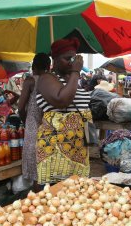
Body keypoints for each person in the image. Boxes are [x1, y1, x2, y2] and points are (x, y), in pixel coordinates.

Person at [35, 38, 92, 188]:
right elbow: (62, 100)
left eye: (74, 59)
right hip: (55, 150)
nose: (72, 62)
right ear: (55, 59)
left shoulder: (72, 80)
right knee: (55, 194)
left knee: (76, 196)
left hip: (77, 149)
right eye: (68, 59)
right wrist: (75, 72)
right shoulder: (46, 78)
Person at [18, 54, 51, 188]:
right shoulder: (52, 81)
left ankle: (37, 197)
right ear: (49, 67)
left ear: (33, 67)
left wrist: (25, 120)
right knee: (45, 164)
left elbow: (20, 108)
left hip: (33, 125)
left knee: (35, 167)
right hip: (48, 125)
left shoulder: (31, 81)